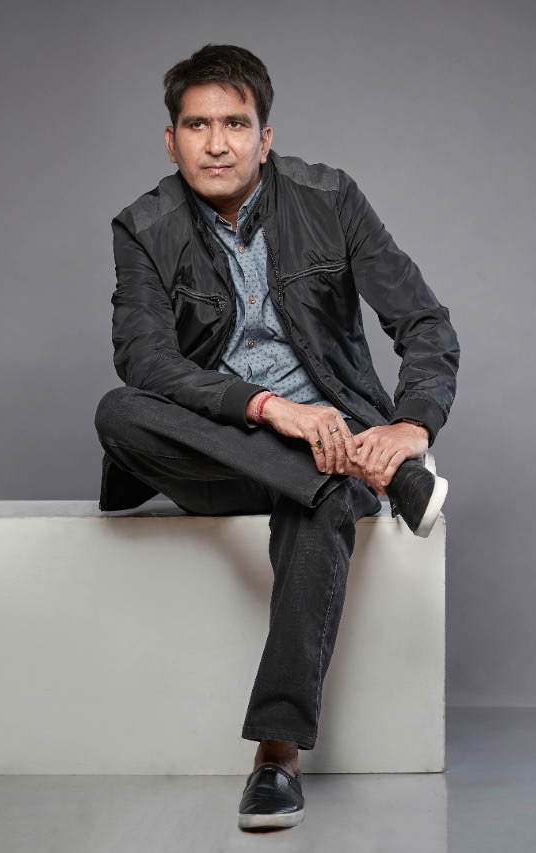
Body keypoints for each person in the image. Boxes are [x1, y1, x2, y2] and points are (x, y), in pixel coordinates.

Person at [91, 44, 459, 832]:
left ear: (265, 136)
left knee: (318, 501)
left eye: (235, 124)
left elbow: (423, 321)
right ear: (171, 141)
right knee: (119, 411)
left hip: (330, 445)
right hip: (223, 449)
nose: (216, 144)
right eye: (197, 125)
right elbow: (145, 359)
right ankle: (363, 474)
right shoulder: (145, 226)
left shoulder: (330, 199)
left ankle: (276, 756)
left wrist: (410, 423)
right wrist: (269, 408)